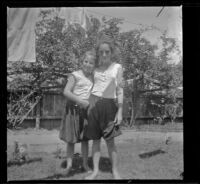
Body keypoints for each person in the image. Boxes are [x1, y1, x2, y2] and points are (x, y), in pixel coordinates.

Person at [85, 35, 124, 179]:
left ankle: (115, 171)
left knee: (110, 141)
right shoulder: (94, 69)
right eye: (101, 52)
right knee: (95, 140)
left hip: (109, 106)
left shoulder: (117, 68)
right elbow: (86, 86)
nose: (104, 54)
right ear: (98, 53)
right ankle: (95, 171)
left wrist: (119, 111)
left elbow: (119, 90)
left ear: (111, 52)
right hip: (94, 105)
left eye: (107, 51)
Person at [59, 50, 97, 175]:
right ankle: (69, 165)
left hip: (86, 113)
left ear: (94, 65)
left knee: (85, 139)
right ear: (81, 62)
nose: (88, 64)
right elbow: (66, 92)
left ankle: (85, 164)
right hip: (73, 111)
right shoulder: (74, 75)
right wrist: (80, 101)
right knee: (71, 140)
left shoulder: (92, 77)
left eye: (91, 63)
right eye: (86, 61)